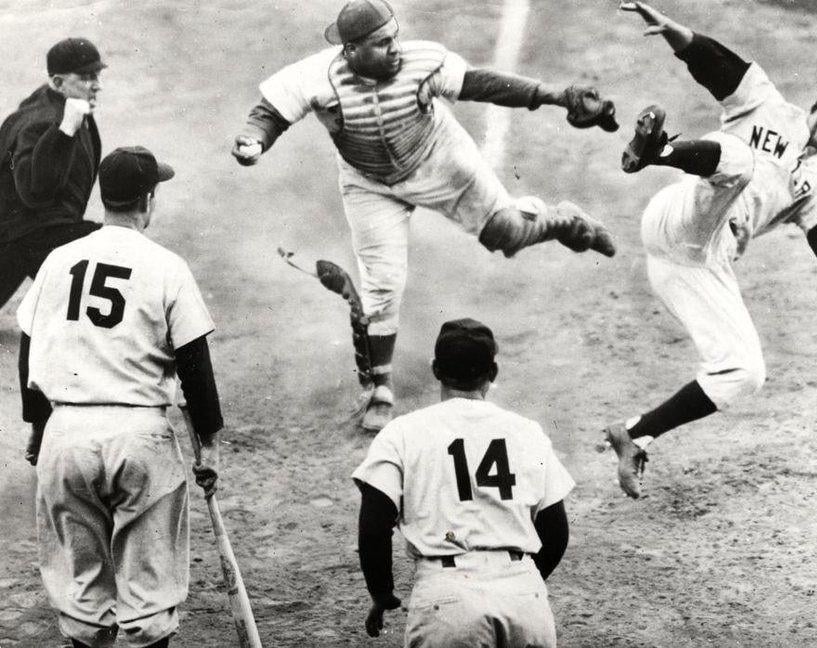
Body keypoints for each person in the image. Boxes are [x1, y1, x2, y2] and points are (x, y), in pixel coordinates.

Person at [232, 0, 619, 433]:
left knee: (505, 235)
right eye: (381, 44)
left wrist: (555, 94)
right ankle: (380, 389)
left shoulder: (422, 61)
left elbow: (479, 84)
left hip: (439, 159)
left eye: (394, 37)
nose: (394, 48)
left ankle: (563, 220)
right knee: (381, 285)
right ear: (350, 51)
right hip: (368, 181)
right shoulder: (318, 75)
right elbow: (269, 113)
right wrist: (254, 140)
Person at [600, 1, 817, 498]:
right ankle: (659, 152)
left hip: (696, 262)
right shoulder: (767, 106)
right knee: (741, 161)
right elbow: (716, 64)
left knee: (745, 371)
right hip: (679, 213)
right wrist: (676, 31)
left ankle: (635, 434)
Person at [16, 146, 224, 648]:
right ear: (148, 200)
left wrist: (38, 428)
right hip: (139, 437)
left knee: (83, 592)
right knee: (148, 595)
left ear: (103, 197)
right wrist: (209, 442)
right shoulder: (165, 264)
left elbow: (30, 347)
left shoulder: (57, 260)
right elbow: (194, 360)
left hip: (66, 434)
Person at [352, 317, 574, 647]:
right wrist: (517, 584)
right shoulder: (527, 431)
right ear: (493, 373)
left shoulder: (402, 432)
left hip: (449, 600)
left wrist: (382, 593)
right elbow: (556, 531)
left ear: (435, 369)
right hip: (524, 597)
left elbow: (373, 525)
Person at [0, 37, 107, 312]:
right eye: (85, 77)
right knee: (113, 250)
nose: (96, 84)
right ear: (58, 82)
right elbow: (35, 192)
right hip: (30, 236)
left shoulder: (55, 102)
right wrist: (65, 131)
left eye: (96, 75)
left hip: (23, 237)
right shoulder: (43, 121)